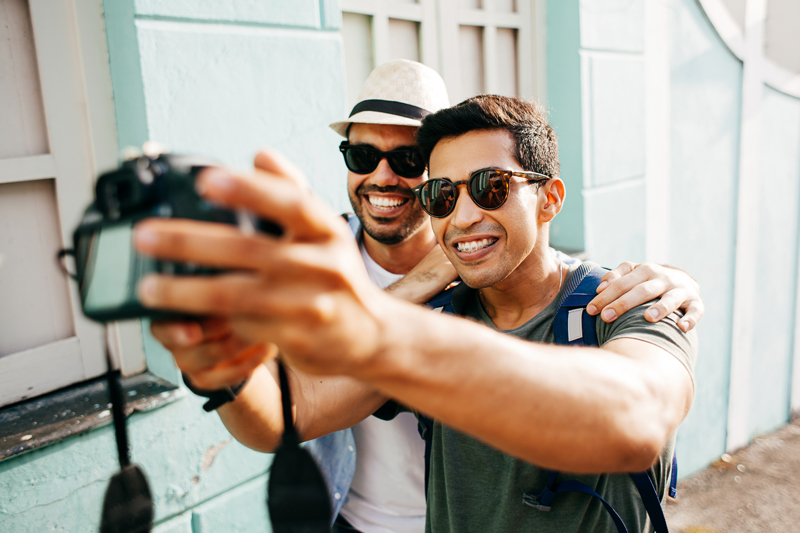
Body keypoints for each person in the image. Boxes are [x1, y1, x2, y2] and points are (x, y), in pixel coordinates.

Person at [141, 78, 700, 532]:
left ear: (549, 197)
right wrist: (220, 361)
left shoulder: (628, 303)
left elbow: (636, 418)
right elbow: (298, 410)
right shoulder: (441, 316)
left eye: (490, 188)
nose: (461, 218)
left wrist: (377, 328)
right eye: (443, 195)